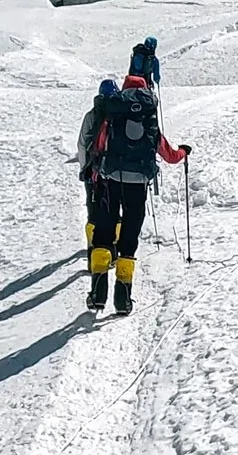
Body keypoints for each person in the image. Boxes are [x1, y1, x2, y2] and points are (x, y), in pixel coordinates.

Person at [83, 73, 188, 315]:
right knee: (128, 238)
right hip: (138, 185)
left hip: (111, 181)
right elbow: (167, 153)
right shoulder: (148, 116)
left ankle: (98, 295)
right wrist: (183, 152)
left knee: (103, 233)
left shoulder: (114, 112)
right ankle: (123, 298)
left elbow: (98, 146)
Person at [75, 78, 120, 245]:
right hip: (115, 171)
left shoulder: (91, 115)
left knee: (93, 208)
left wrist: (84, 167)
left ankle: (93, 246)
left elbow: (82, 144)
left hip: (92, 171)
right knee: (114, 208)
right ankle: (115, 244)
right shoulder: (120, 113)